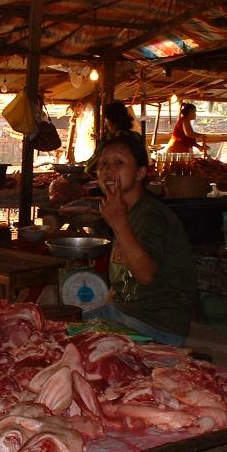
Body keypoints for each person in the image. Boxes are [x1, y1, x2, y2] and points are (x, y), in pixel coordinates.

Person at [82, 133, 197, 345]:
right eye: (103, 164)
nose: (108, 170)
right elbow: (121, 280)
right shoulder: (123, 210)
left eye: (119, 162)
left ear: (140, 173)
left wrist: (119, 224)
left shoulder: (149, 215)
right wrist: (104, 312)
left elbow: (145, 275)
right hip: (123, 314)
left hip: (156, 327)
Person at [85, 101, 137, 176]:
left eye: (106, 119)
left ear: (111, 120)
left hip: (114, 179)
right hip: (133, 179)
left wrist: (86, 170)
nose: (105, 123)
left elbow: (95, 161)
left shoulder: (109, 139)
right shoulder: (136, 136)